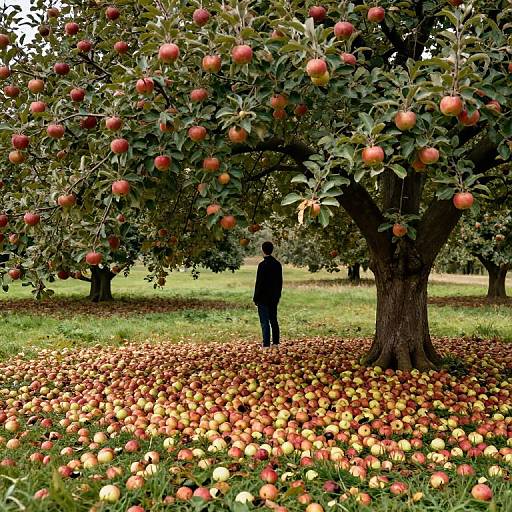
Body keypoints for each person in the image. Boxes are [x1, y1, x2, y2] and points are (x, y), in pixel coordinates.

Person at [253, 241, 283, 348]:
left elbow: (259, 283)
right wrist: (278, 296)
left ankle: (266, 344)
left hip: (263, 298)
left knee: (264, 321)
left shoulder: (262, 265)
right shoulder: (277, 264)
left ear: (263, 250)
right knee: (273, 320)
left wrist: (255, 298)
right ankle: (275, 343)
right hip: (273, 297)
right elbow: (280, 282)